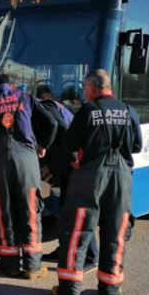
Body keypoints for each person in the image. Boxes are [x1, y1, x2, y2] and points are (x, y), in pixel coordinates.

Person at [51, 69, 142, 295]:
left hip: (91, 175)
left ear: (92, 87)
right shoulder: (128, 110)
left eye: (84, 87)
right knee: (116, 231)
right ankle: (109, 289)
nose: (83, 91)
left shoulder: (88, 111)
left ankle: (69, 291)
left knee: (78, 230)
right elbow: (137, 145)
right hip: (121, 177)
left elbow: (68, 144)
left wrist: (76, 161)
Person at [0, 74, 57, 279]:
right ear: (9, 85)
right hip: (27, 159)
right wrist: (42, 146)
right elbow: (52, 123)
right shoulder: (25, 97)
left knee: (4, 211)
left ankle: (9, 264)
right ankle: (32, 266)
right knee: (29, 208)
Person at [36, 85, 99, 271]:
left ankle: (91, 256)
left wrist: (68, 161)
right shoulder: (48, 108)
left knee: (77, 213)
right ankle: (64, 249)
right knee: (64, 212)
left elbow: (63, 133)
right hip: (65, 166)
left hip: (72, 167)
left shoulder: (46, 107)